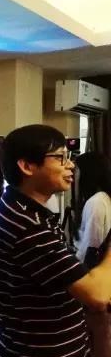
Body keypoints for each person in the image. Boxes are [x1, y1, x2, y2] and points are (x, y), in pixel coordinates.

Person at [0, 124, 111, 357]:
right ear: (27, 166)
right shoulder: (26, 225)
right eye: (60, 157)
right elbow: (97, 295)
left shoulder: (19, 208)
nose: (71, 165)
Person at [74, 152, 111, 357]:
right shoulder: (105, 198)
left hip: (94, 279)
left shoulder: (96, 202)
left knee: (98, 339)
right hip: (105, 279)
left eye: (77, 171)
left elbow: (92, 245)